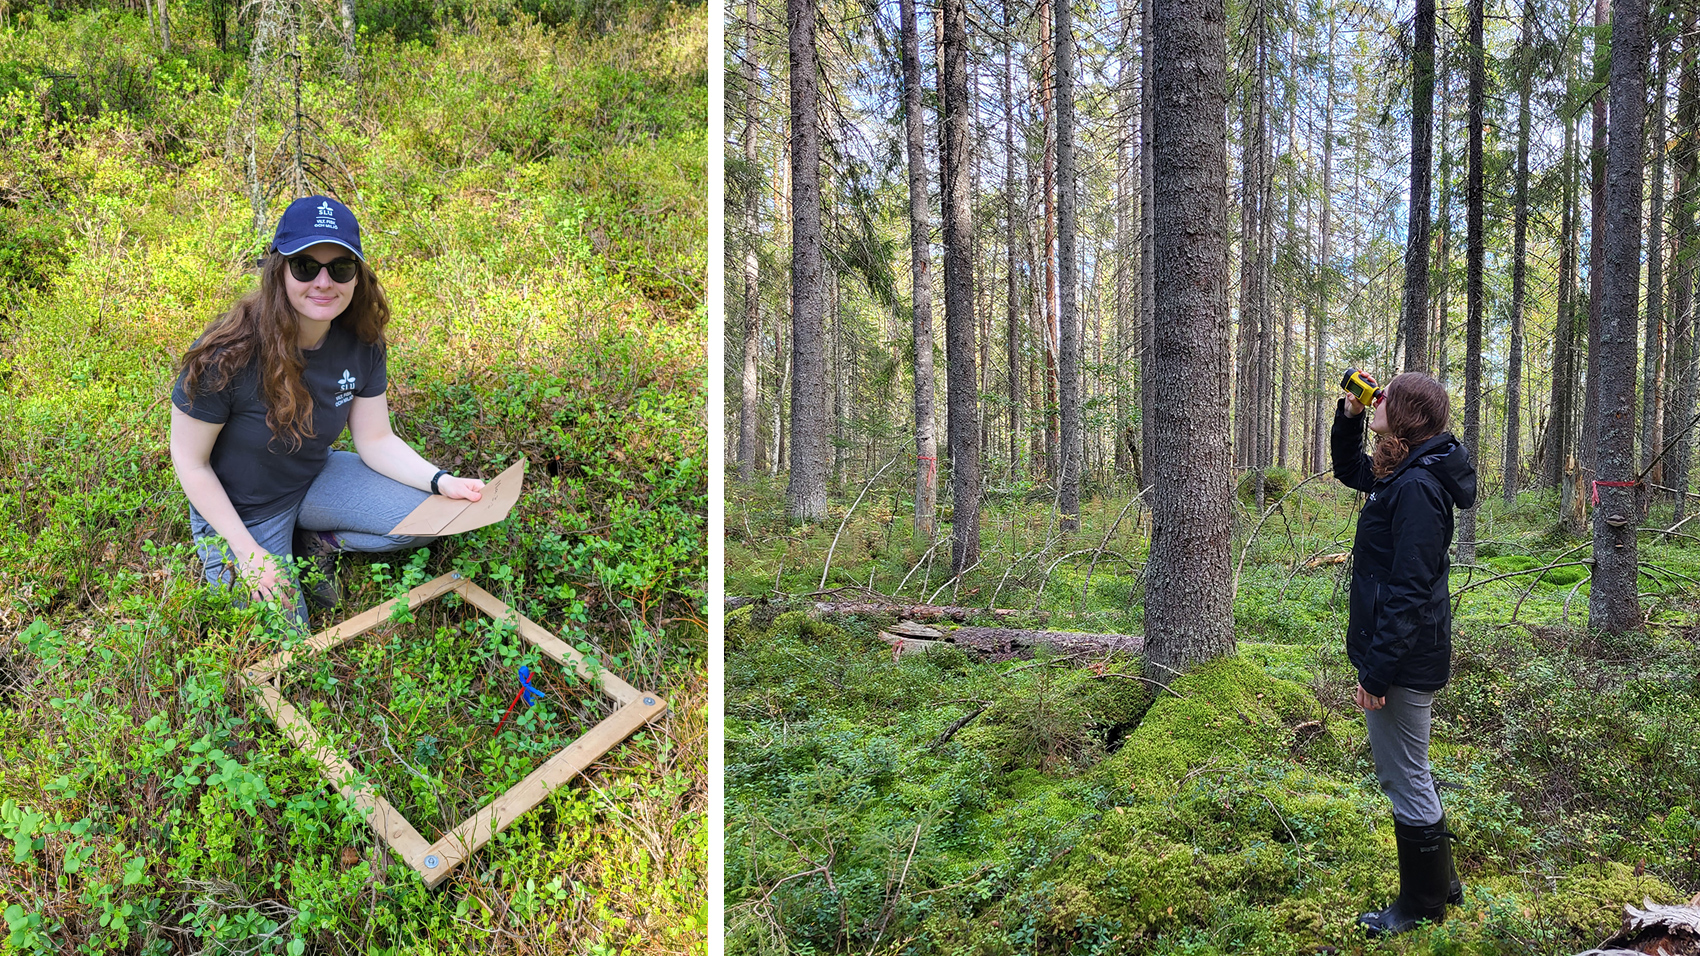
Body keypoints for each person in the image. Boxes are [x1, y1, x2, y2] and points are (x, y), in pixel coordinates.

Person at [169, 195, 485, 625]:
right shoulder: (226, 355)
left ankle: (319, 539)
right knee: (283, 640)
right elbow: (190, 463)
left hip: (313, 477)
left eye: (340, 268)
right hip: (242, 510)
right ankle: (268, 549)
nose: (323, 282)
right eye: (305, 266)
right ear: (278, 270)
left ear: (357, 277)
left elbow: (375, 439)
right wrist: (248, 554)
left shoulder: (362, 340)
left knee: (434, 518)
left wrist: (439, 479)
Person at [1330, 371, 1477, 937]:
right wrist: (1350, 416)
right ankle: (1442, 883)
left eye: (1385, 396)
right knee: (1413, 767)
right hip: (1406, 651)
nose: (1378, 399)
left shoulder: (1417, 487)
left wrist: (1378, 670)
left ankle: (1421, 905)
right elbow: (1351, 471)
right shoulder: (1409, 471)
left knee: (1403, 774)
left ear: (1411, 415)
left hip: (1404, 657)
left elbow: (1409, 588)